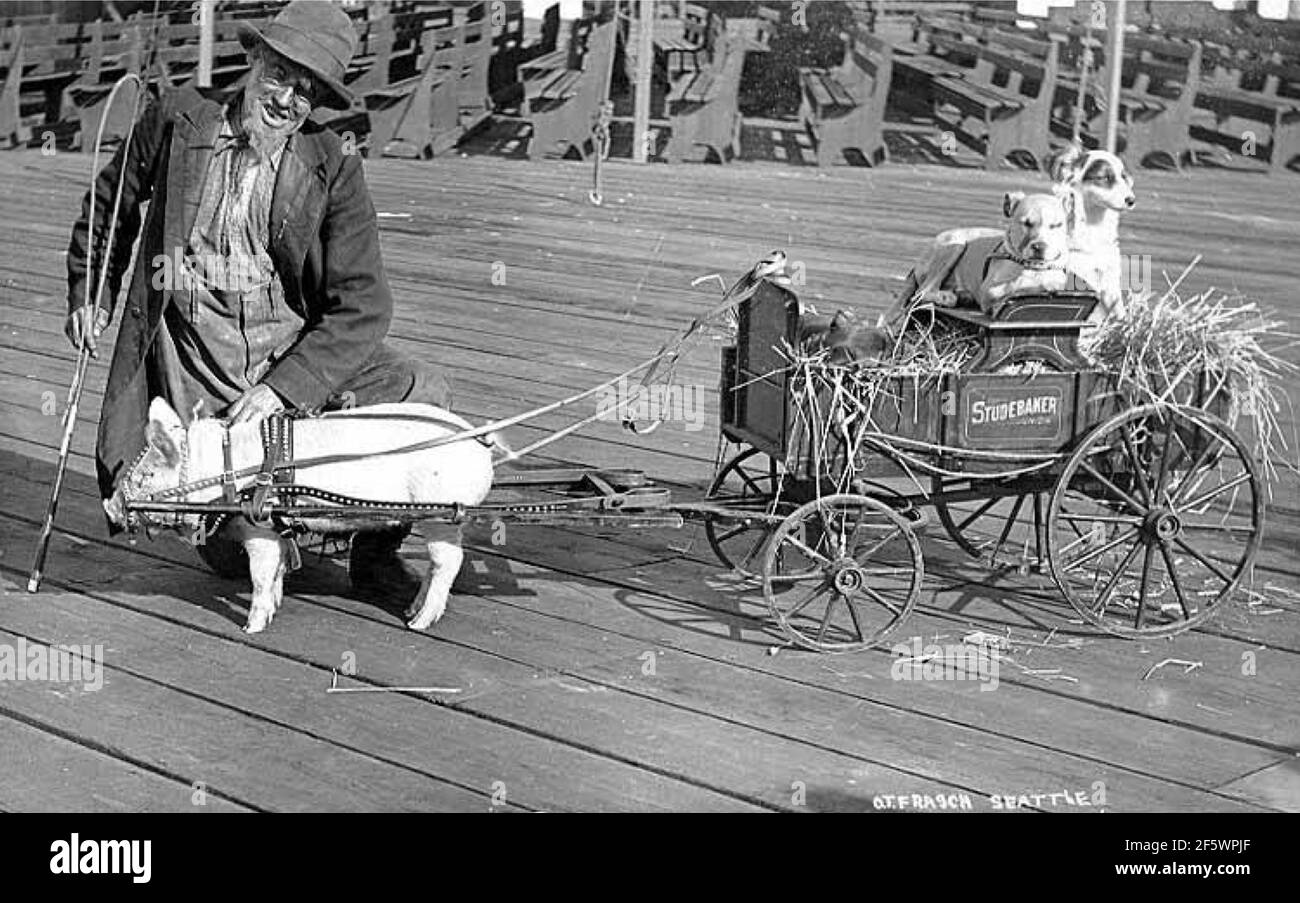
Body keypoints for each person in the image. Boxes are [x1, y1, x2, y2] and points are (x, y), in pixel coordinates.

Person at [65, 0, 446, 599]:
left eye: (307, 92)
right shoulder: (176, 118)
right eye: (280, 75)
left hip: (286, 361)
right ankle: (257, 516)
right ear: (252, 57)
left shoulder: (333, 163)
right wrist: (92, 292)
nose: (287, 100)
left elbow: (364, 303)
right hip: (198, 376)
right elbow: (110, 205)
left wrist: (282, 388)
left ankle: (373, 553)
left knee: (422, 393)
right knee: (230, 547)